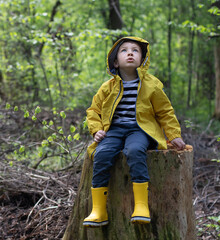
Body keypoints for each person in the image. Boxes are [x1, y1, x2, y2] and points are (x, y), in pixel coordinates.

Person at [83, 36, 186, 227]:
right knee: (102, 153)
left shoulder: (151, 85)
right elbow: (93, 110)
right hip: (113, 130)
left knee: (135, 150)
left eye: (135, 50)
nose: (130, 53)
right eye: (124, 50)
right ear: (115, 61)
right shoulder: (108, 87)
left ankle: (141, 205)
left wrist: (174, 135)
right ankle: (99, 210)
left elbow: (165, 111)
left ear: (142, 59)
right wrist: (96, 129)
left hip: (140, 129)